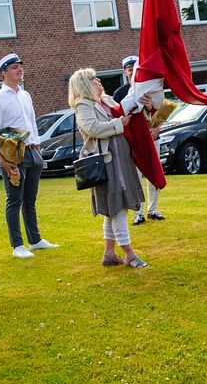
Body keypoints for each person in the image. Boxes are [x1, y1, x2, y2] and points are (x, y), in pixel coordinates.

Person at [68, 68, 150, 267]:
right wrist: (118, 124)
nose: (98, 81)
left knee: (114, 207)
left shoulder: (106, 100)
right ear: (84, 84)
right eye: (93, 79)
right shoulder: (83, 105)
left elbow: (125, 112)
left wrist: (143, 106)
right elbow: (93, 128)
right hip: (106, 161)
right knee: (117, 206)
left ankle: (109, 253)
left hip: (119, 157)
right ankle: (129, 254)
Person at [0, 53, 58, 258]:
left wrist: (37, 145)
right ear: (4, 73)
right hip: (12, 155)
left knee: (30, 199)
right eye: (14, 67)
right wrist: (1, 158)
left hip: (32, 151)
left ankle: (35, 240)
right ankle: (17, 245)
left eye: (20, 66)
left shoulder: (25, 95)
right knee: (14, 200)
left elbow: (32, 123)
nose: (20, 69)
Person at [114, 55, 166, 225]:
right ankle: (138, 212)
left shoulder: (151, 88)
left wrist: (152, 113)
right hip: (133, 140)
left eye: (134, 70)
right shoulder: (120, 93)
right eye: (130, 70)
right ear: (125, 73)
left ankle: (154, 209)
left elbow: (163, 110)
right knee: (135, 177)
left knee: (153, 172)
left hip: (152, 135)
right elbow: (117, 114)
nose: (132, 73)